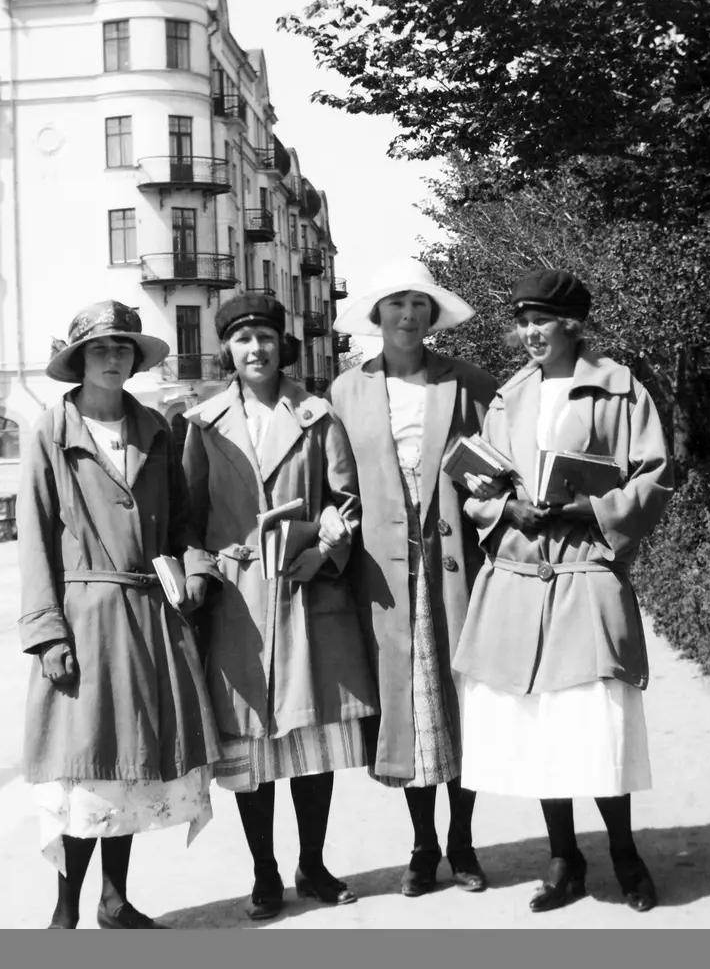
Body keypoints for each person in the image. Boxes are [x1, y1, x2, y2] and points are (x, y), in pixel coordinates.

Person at [453, 269, 673, 913]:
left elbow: (653, 476)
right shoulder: (508, 396)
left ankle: (625, 855)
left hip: (583, 572)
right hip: (520, 576)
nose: (528, 334)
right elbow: (478, 484)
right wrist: (501, 512)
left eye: (540, 322)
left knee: (595, 719)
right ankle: (563, 858)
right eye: (521, 322)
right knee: (540, 724)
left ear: (571, 325)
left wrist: (587, 509)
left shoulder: (619, 389)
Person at [17, 300, 220, 930]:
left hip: (151, 613)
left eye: (124, 348)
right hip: (87, 616)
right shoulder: (52, 430)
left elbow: (184, 522)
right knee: (85, 766)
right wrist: (47, 632)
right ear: (79, 360)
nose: (113, 357)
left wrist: (196, 571)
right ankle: (64, 912)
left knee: (130, 768)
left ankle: (115, 900)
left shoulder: (156, 428)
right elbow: (34, 538)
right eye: (101, 348)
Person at [182, 293, 378, 921]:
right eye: (242, 340)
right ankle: (264, 872)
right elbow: (189, 520)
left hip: (304, 592)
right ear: (228, 352)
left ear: (280, 345)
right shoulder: (202, 425)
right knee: (251, 753)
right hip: (239, 604)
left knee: (311, 741)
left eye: (265, 337)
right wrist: (202, 573)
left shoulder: (317, 416)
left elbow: (348, 503)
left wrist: (324, 553)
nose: (256, 350)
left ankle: (312, 864)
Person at [328, 259, 497, 897]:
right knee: (408, 712)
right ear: (376, 316)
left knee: (461, 705)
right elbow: (335, 481)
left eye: (419, 305)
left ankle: (464, 843)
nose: (407, 315)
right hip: (385, 577)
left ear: (432, 316)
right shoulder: (348, 391)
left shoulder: (469, 382)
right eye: (395, 304)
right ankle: (424, 846)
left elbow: (498, 467)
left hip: (457, 567)